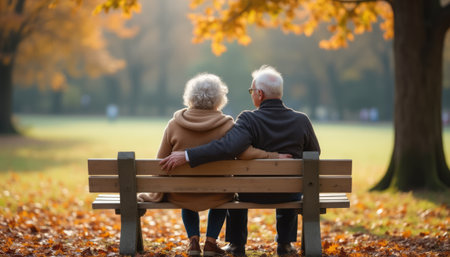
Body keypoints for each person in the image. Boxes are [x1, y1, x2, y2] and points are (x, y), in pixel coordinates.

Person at [160, 65, 321, 256]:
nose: (252, 94)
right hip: (289, 192)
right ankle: (284, 245)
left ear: (260, 94)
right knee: (288, 188)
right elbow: (315, 153)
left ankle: (237, 244)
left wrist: (188, 155)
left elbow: (230, 147)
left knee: (235, 191)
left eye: (252, 90)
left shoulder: (248, 119)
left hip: (252, 192)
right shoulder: (301, 120)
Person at [140, 73, 285, 257]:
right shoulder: (227, 124)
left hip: (181, 192)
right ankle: (210, 242)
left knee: (187, 192)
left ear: (190, 96)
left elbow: (160, 160)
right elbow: (243, 153)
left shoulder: (174, 124)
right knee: (223, 196)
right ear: (219, 98)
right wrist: (273, 155)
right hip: (218, 192)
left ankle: (193, 241)